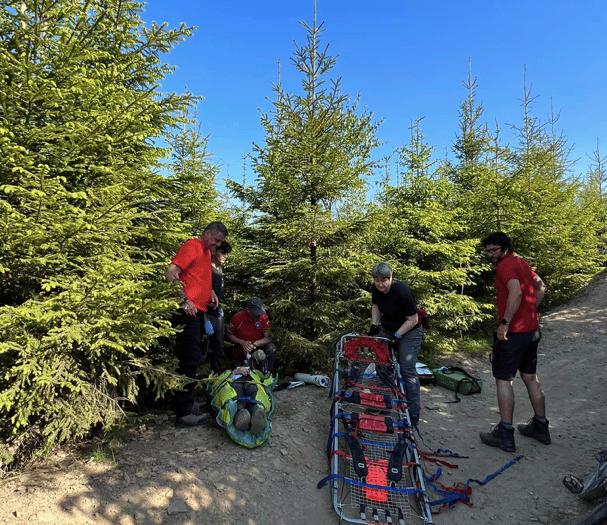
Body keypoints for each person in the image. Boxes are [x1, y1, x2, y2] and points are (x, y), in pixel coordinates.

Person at [480, 231, 549, 452]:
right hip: (531, 331)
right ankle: (541, 427)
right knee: (530, 378)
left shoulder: (505, 267)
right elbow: (540, 286)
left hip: (514, 334)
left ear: (505, 248)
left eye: (495, 250)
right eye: (488, 250)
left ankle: (505, 435)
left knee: (503, 380)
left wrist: (505, 322)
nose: (491, 254)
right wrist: (532, 311)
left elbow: (516, 292)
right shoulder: (522, 263)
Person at [165, 221, 228, 426]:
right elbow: (171, 273)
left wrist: (208, 292)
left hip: (199, 314)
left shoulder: (207, 253)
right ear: (207, 233)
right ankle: (183, 413)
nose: (218, 245)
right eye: (216, 240)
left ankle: (189, 402)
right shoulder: (192, 246)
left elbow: (197, 277)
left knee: (195, 358)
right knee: (189, 359)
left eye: (221, 242)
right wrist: (184, 300)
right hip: (186, 312)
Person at [368, 262, 422, 427]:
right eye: (377, 280)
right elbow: (376, 306)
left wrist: (397, 336)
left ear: (391, 278)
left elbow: (413, 319)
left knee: (406, 370)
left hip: (410, 330)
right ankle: (384, 403)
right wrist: (374, 325)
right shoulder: (376, 290)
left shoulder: (402, 291)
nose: (380, 284)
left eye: (384, 280)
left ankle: (413, 413)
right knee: (382, 366)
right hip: (387, 328)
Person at [226, 297, 275, 375]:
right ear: (248, 311)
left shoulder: (263, 317)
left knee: (270, 347)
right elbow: (229, 335)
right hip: (241, 347)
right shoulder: (238, 317)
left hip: (257, 345)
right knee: (235, 360)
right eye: (255, 313)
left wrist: (254, 343)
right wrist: (242, 343)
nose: (257, 315)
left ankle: (267, 373)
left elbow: (268, 337)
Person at [205, 240, 232, 374]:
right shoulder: (207, 268)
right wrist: (204, 318)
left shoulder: (219, 269)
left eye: (227, 254)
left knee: (218, 347)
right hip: (206, 312)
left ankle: (217, 376)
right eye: (223, 252)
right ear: (215, 252)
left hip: (217, 313)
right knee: (203, 346)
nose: (225, 256)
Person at [229, 357, 268, 435]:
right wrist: (234, 372)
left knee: (253, 395)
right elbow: (224, 378)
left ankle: (257, 416)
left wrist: (252, 373)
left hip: (251, 382)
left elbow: (263, 378)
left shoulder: (253, 371)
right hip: (236, 382)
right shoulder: (231, 371)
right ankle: (241, 416)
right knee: (237, 396)